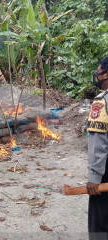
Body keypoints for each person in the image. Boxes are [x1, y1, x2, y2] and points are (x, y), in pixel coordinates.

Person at [87, 56, 108, 239]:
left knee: (100, 227)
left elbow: (99, 142)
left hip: (105, 177)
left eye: (99, 73)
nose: (97, 76)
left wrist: (95, 176)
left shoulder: (102, 102)